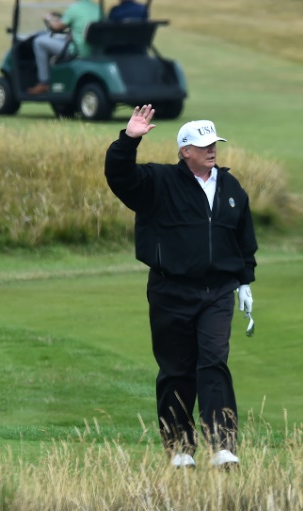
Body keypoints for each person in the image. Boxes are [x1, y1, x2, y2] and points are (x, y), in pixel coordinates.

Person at [104, 105, 258, 468]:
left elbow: (243, 239)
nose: (212, 149)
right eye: (203, 144)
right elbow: (119, 177)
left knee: (214, 361)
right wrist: (128, 140)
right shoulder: (158, 183)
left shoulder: (231, 187)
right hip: (170, 290)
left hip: (217, 290)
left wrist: (245, 282)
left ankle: (222, 446)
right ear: (184, 151)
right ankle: (179, 449)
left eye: (214, 143)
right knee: (176, 369)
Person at [27, 0, 101, 94]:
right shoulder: (97, 9)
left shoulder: (75, 9)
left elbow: (56, 27)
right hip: (93, 50)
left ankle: (44, 82)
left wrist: (48, 18)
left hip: (77, 51)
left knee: (39, 42)